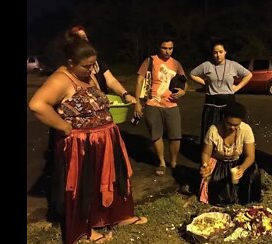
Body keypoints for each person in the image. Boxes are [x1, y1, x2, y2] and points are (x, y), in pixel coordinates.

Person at [28, 37, 147, 244]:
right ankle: (84, 229)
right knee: (87, 185)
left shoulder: (88, 74)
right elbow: (37, 105)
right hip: (83, 144)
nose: (92, 69)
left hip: (105, 138)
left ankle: (119, 216)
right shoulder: (61, 79)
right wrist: (63, 126)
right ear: (71, 62)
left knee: (113, 178)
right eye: (87, 65)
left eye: (94, 64)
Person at [133, 36, 188, 176]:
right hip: (153, 103)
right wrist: (137, 103)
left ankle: (174, 162)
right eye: (164, 48)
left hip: (171, 104)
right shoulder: (150, 61)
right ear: (159, 47)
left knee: (175, 136)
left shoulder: (176, 64)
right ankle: (162, 162)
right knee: (156, 134)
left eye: (170, 48)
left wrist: (182, 92)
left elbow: (184, 81)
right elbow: (140, 80)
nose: (167, 51)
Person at [199, 102, 261, 206]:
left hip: (237, 162)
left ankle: (247, 199)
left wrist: (242, 168)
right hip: (219, 163)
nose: (232, 127)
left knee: (253, 171)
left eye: (236, 125)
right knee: (219, 193)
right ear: (224, 119)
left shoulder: (246, 129)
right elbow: (206, 153)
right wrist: (205, 165)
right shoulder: (213, 130)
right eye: (229, 124)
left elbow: (250, 156)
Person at [190, 41, 252, 144]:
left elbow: (248, 75)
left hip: (228, 102)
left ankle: (228, 152)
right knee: (210, 129)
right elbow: (192, 74)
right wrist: (205, 84)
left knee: (229, 128)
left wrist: (237, 87)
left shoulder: (233, 65)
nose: (218, 55)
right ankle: (210, 154)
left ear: (225, 52)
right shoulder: (207, 65)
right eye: (215, 52)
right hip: (211, 103)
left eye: (220, 52)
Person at [68, 25, 133, 97]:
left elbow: (111, 81)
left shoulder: (96, 60)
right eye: (86, 66)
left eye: (84, 37)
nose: (90, 69)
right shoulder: (68, 72)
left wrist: (125, 94)